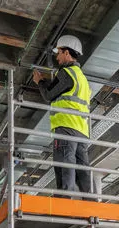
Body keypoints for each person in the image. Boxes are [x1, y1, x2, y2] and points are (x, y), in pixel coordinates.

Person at [33, 35, 92, 193]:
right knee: (82, 168)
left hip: (66, 126)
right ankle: (90, 200)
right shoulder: (82, 79)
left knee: (64, 162)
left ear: (67, 53)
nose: (57, 57)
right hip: (82, 130)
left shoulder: (67, 73)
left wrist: (39, 81)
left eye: (59, 53)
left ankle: (65, 198)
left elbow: (49, 95)